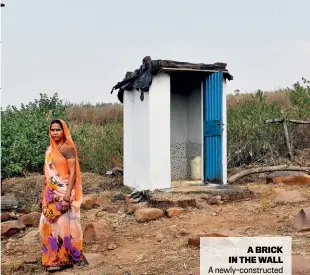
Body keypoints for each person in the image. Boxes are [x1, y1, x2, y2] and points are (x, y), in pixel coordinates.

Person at [39, 119, 88, 272]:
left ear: (63, 130)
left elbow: (73, 174)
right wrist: (43, 195)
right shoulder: (49, 150)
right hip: (50, 194)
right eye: (52, 130)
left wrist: (66, 197)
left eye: (57, 130)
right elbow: (47, 176)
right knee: (46, 226)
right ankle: (52, 257)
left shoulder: (68, 149)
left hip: (64, 192)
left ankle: (65, 258)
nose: (54, 133)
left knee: (65, 226)